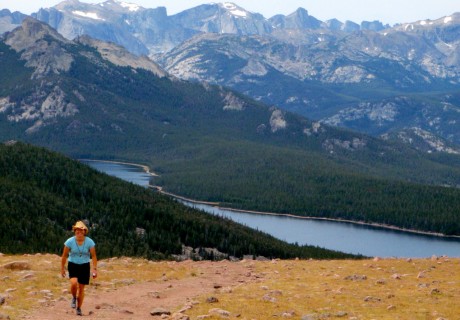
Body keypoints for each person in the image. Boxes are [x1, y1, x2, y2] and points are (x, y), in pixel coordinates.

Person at [61, 220, 97, 316]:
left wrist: (94, 269)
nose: (79, 232)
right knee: (73, 283)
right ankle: (73, 297)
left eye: (81, 230)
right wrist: (62, 268)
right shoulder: (69, 241)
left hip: (85, 266)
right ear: (74, 231)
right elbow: (64, 255)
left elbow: (93, 256)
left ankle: (79, 308)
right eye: (77, 230)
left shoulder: (90, 242)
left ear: (84, 231)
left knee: (81, 289)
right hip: (73, 264)